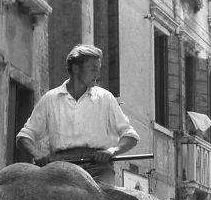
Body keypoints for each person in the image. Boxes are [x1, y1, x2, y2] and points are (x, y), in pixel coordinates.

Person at [16, 43, 139, 185]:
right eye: (93, 69)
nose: (97, 75)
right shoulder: (50, 99)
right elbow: (23, 137)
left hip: (98, 168)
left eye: (98, 69)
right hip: (60, 168)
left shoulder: (106, 98)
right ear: (76, 69)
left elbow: (131, 136)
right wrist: (37, 153)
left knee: (105, 199)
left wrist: (112, 151)